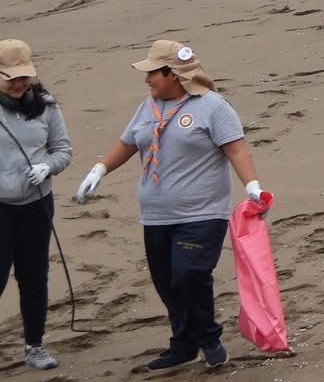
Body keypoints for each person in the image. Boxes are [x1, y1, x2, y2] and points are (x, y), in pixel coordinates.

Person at [73, 39, 266, 374]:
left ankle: (209, 339)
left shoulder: (213, 107)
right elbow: (128, 142)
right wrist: (99, 170)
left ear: (174, 74)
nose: (147, 80)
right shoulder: (147, 107)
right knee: (166, 282)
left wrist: (253, 187)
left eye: (153, 73)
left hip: (203, 212)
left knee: (189, 274)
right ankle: (183, 345)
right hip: (156, 214)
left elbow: (236, 150)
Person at [1, 39, 70, 373]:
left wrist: (48, 167)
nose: (19, 84)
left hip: (37, 205)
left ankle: (35, 345)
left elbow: (62, 150)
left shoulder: (46, 106)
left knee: (34, 277)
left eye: (24, 77)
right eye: (10, 78)